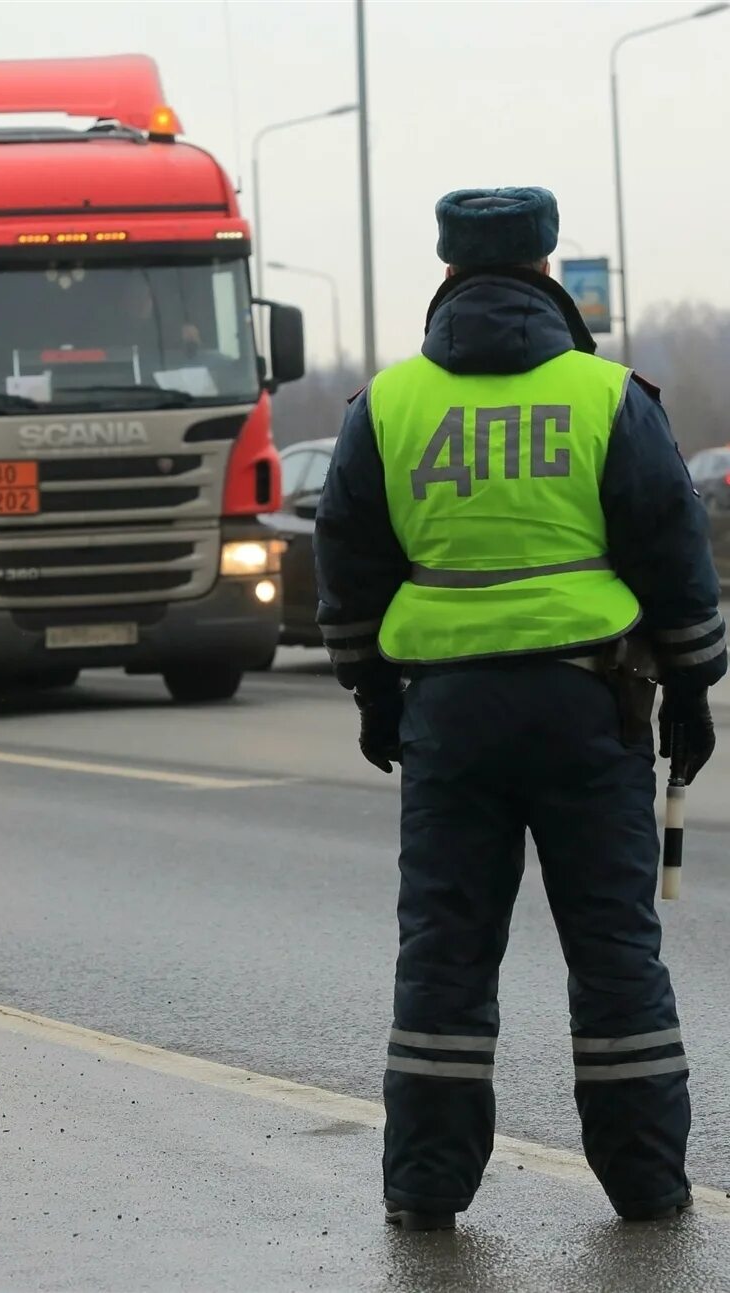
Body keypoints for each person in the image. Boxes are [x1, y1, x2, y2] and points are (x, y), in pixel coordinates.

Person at [314, 186, 725, 1232]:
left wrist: (370, 690)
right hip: (592, 710)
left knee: (444, 952)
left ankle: (422, 1189)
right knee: (614, 951)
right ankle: (646, 1186)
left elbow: (348, 563)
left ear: (446, 275)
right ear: (548, 273)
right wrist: (691, 685)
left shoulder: (388, 405)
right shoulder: (606, 397)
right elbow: (674, 554)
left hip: (447, 718)